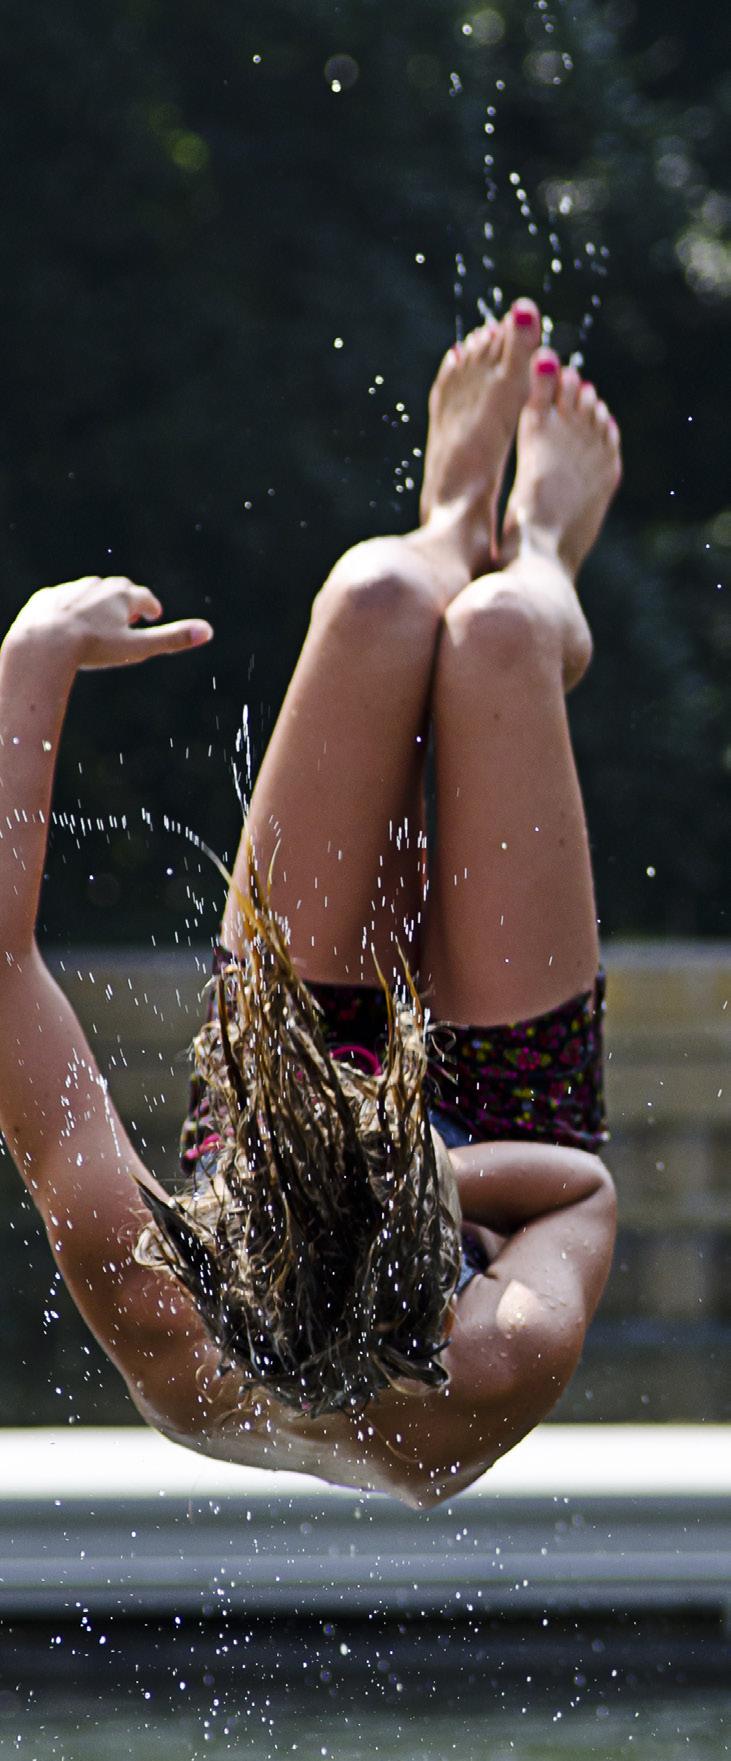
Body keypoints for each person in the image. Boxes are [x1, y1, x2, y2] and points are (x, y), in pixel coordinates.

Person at [0, 299, 619, 1506]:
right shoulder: (502, 1351)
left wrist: (30, 657)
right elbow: (584, 1188)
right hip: (505, 1131)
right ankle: (541, 549)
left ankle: (449, 520)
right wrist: (425, 1176)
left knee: (378, 595)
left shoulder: (153, 1290)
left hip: (275, 1092)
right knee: (498, 632)